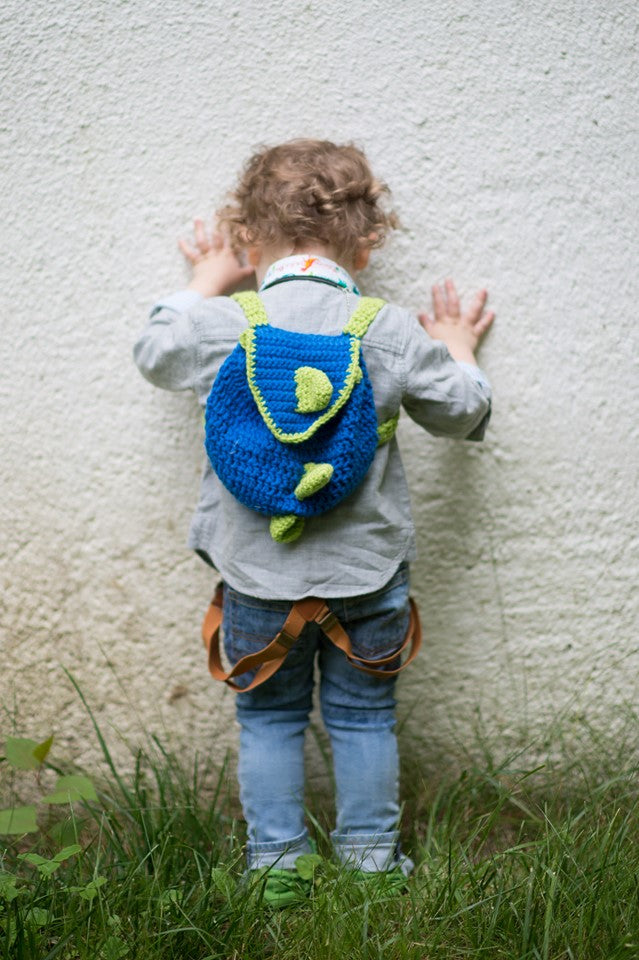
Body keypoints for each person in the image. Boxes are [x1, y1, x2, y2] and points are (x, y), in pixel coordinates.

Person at [133, 139, 494, 904]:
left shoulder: (225, 324)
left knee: (267, 718)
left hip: (258, 578)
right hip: (367, 576)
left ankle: (276, 867)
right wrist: (455, 348)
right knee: (364, 718)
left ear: (248, 241)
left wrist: (202, 282)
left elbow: (154, 353)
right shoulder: (388, 330)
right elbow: (464, 416)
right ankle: (368, 864)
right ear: (366, 245)